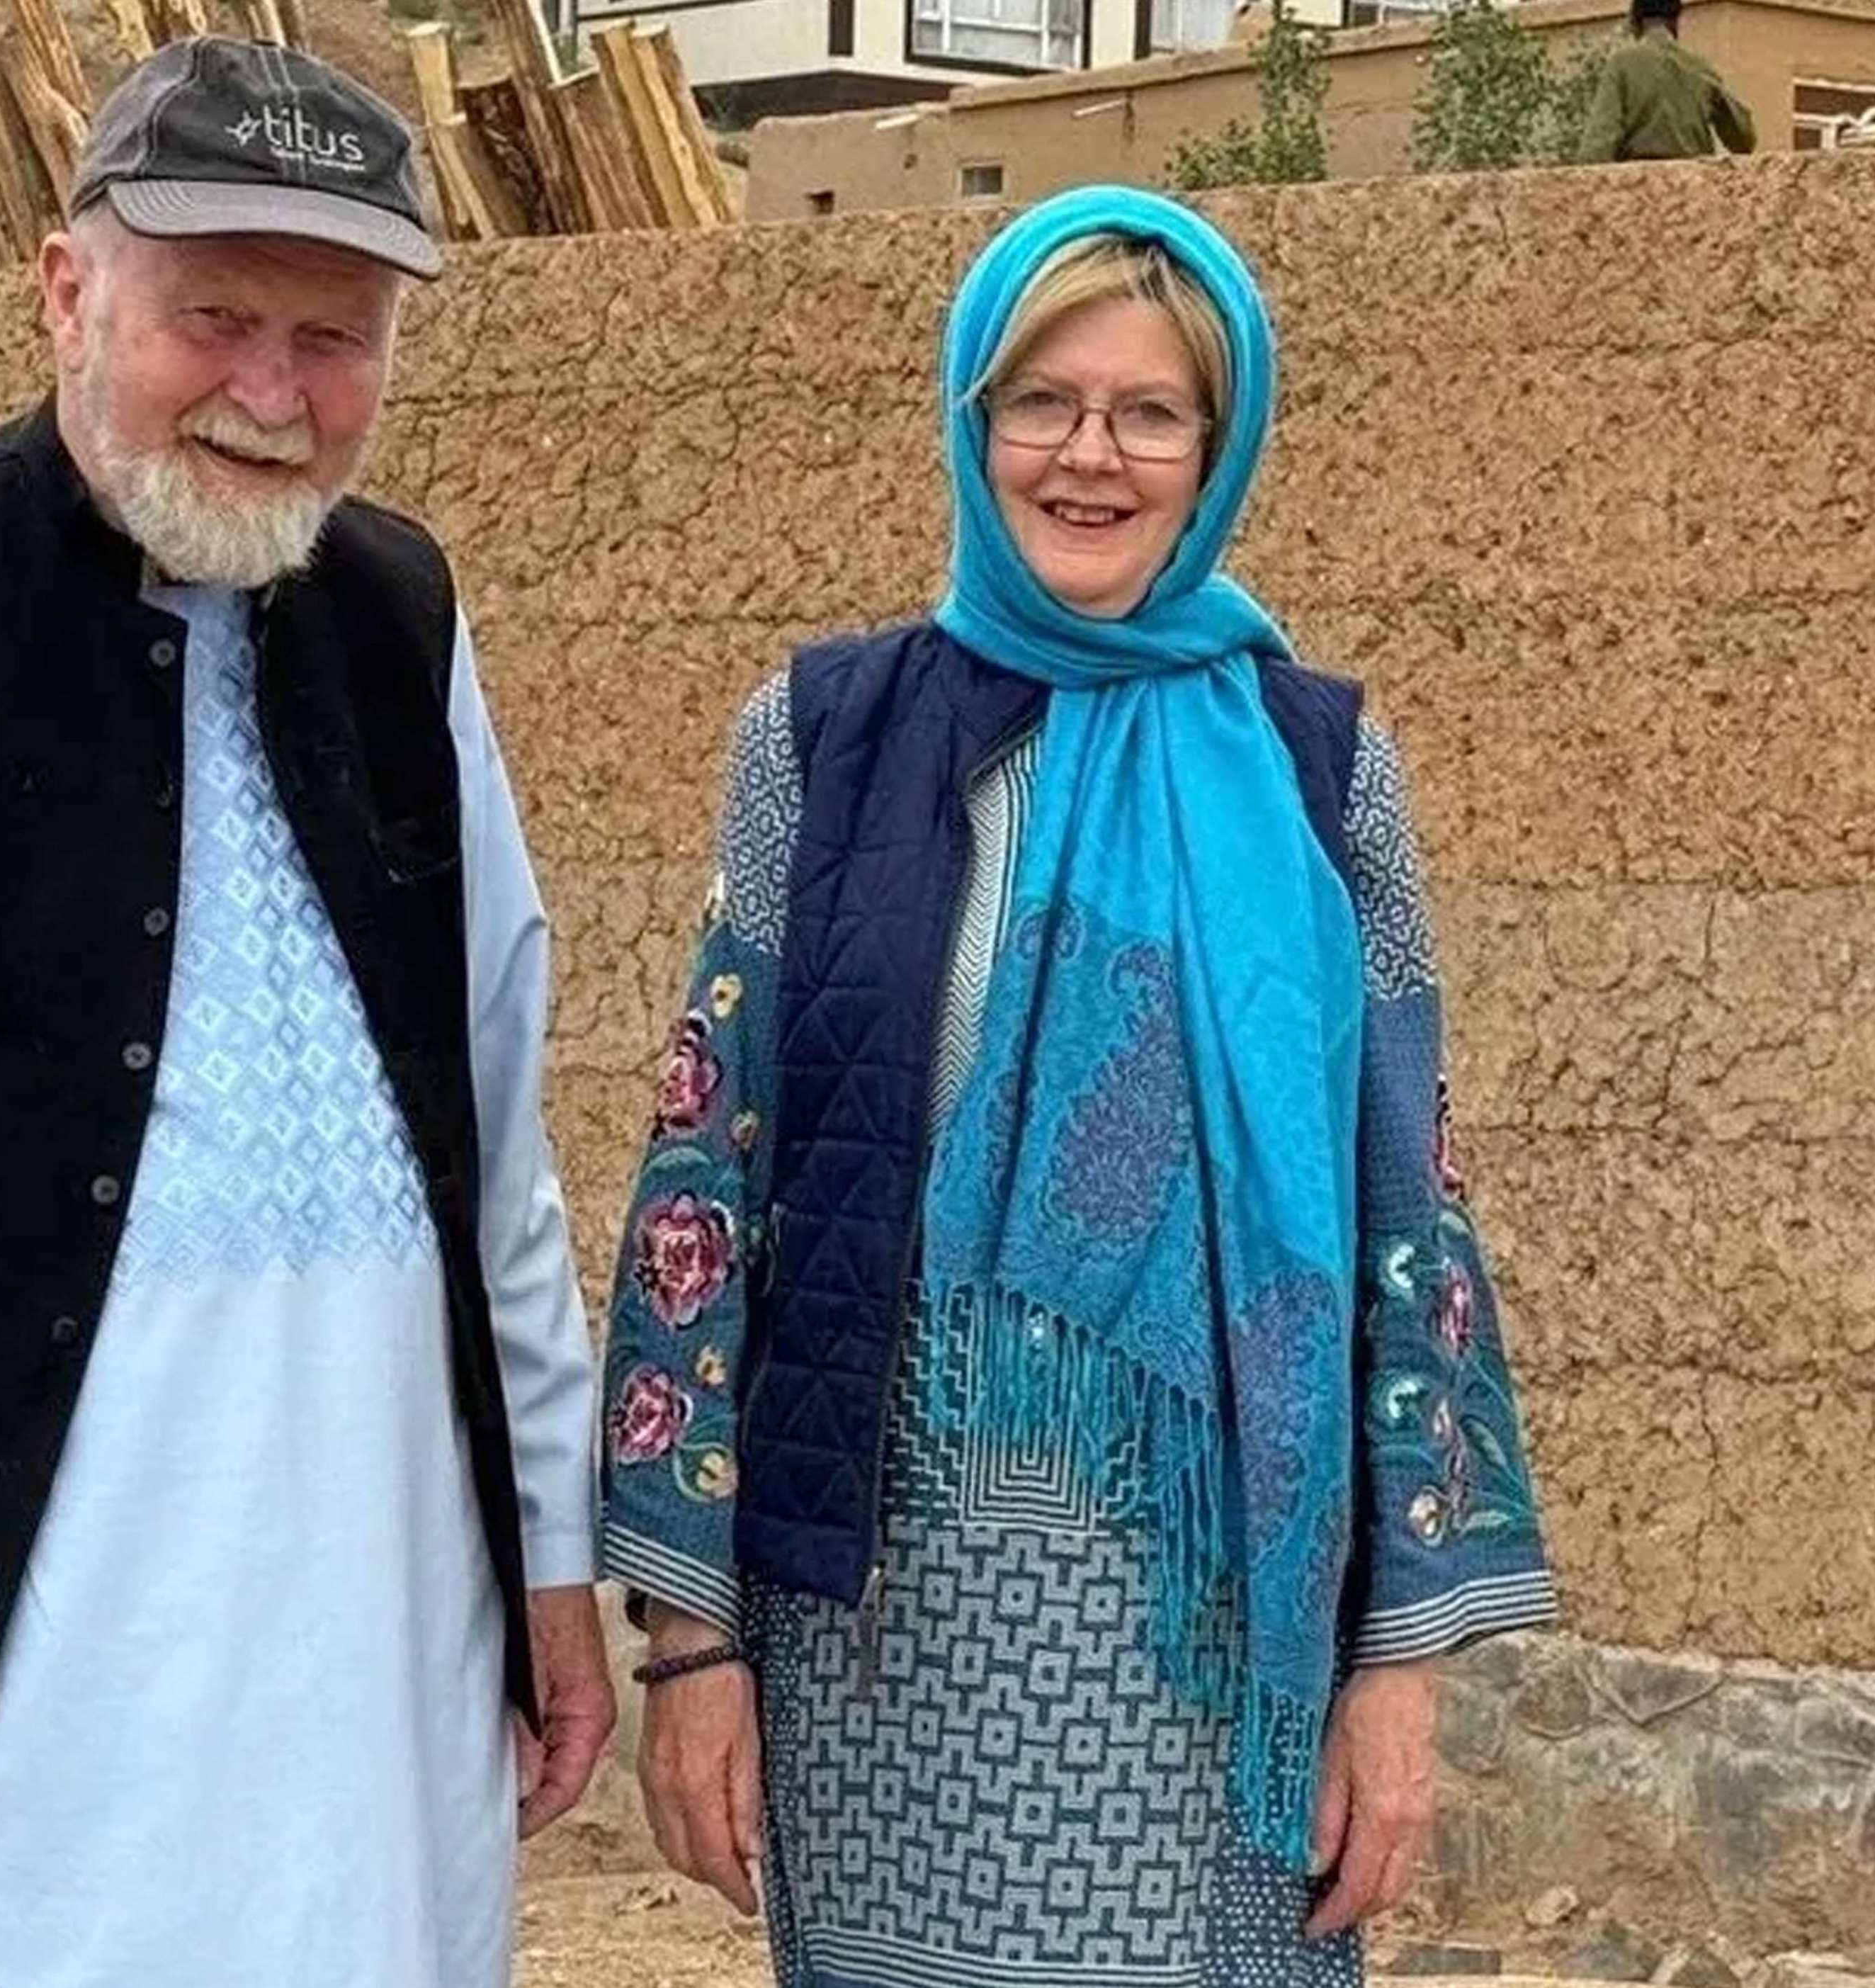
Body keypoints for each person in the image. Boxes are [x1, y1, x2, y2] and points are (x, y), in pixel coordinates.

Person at [0, 38, 609, 1988]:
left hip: (385, 1639)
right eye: (212, 316)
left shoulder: (405, 622)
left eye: (333, 338)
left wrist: (546, 1548)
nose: (269, 391)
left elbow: (495, 1142)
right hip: (27, 1693)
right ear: (66, 288)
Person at [594, 186, 1558, 1988]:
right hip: (873, 1644)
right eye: (1041, 400)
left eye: (1149, 410)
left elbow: (1406, 1220)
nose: (1089, 453)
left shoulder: (1320, 767)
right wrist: (690, 1637)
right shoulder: (816, 738)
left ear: (1222, 442)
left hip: (1218, 1639)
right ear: (973, 421)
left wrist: (1398, 1670)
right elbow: (700, 1192)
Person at [1575, 0, 1757, 163]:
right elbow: (1744, 140)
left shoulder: (1622, 64)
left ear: (1634, 23)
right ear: (1675, 22)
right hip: (1694, 183)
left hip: (1639, 185)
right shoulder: (1700, 68)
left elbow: (1596, 149)